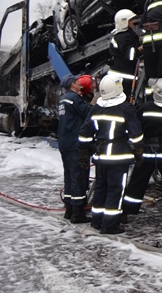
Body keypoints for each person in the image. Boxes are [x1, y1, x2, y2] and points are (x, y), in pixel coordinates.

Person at [79, 74, 144, 235]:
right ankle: (110, 225)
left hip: (101, 156)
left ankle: (97, 220)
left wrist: (82, 152)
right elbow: (136, 134)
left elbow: (85, 132)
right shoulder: (126, 108)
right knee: (116, 190)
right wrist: (138, 152)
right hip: (118, 157)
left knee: (101, 188)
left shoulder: (96, 108)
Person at [122, 78, 162, 226]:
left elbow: (137, 127)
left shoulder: (146, 108)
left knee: (137, 182)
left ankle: (126, 212)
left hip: (148, 151)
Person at [58, 73, 96, 223]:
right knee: (78, 178)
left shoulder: (63, 99)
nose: (78, 82)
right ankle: (78, 214)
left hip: (65, 143)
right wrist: (95, 100)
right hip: (75, 144)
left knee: (69, 177)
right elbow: (89, 113)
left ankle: (69, 210)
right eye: (75, 81)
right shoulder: (75, 99)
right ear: (72, 85)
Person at [109, 9, 142, 98]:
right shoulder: (123, 37)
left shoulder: (124, 35)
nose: (133, 22)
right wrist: (141, 48)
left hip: (122, 74)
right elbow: (130, 55)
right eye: (130, 20)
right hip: (123, 76)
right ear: (124, 22)